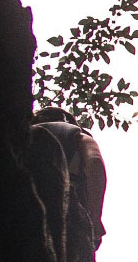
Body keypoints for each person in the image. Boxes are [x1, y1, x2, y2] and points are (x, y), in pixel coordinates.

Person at [30, 106, 107, 249]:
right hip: (67, 211)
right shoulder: (77, 135)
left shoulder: (21, 137)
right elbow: (94, 162)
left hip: (23, 207)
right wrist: (95, 217)